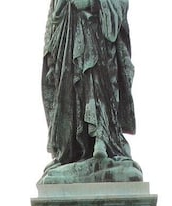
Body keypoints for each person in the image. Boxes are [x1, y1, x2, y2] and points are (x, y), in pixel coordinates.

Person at [41, 0, 138, 183]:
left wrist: (94, 3)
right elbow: (55, 15)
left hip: (98, 33)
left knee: (99, 83)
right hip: (70, 36)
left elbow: (119, 5)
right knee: (73, 93)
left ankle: (102, 139)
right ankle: (73, 150)